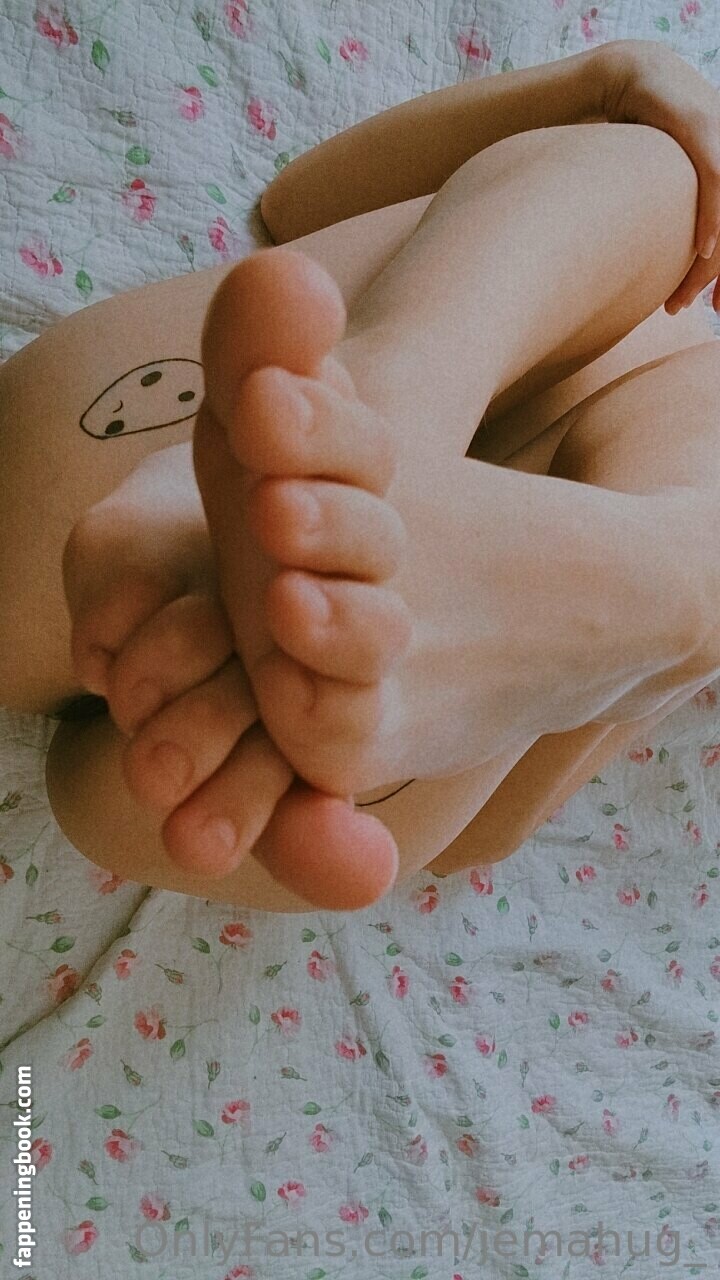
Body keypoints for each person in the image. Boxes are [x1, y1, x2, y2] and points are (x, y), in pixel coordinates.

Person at [3, 39, 720, 912]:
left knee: (660, 183)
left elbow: (300, 202)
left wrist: (609, 90)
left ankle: (392, 425)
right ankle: (661, 588)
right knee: (666, 185)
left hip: (148, 499)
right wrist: (619, 88)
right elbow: (495, 829)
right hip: (299, 783)